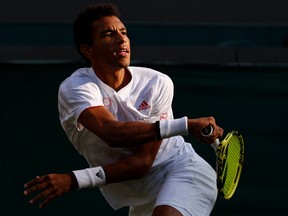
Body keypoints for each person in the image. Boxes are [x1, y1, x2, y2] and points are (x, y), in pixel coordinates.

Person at [24, 3, 223, 216]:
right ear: (87, 49)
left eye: (124, 32)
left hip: (183, 170)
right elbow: (113, 133)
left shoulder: (157, 83)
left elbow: (142, 162)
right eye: (108, 34)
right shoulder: (76, 88)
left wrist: (73, 180)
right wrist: (185, 125)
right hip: (141, 195)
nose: (121, 39)